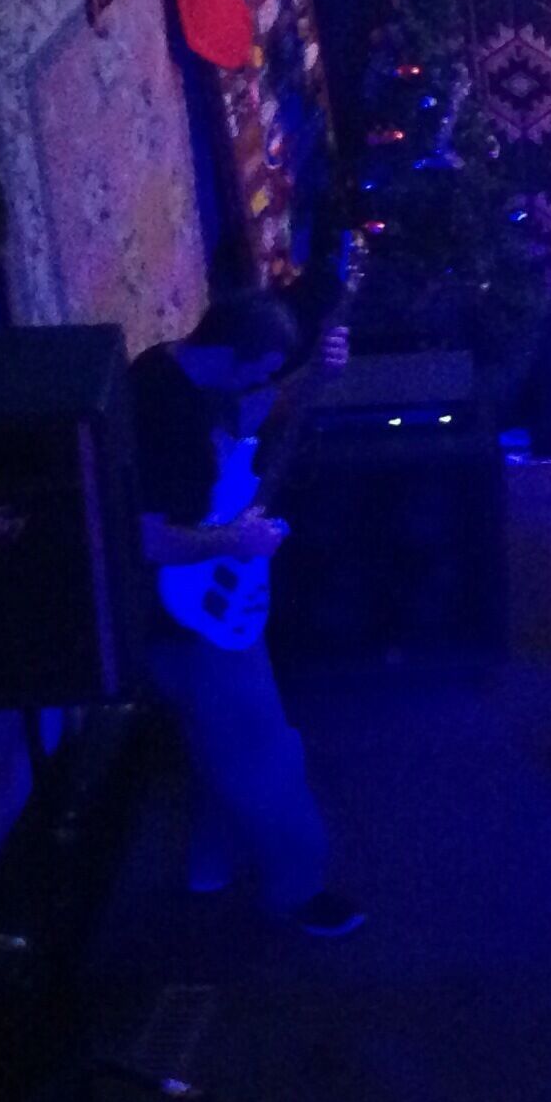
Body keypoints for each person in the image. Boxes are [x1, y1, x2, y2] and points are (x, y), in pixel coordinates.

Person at [131, 290, 364, 937]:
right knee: (265, 755)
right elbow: (148, 539)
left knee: (217, 745)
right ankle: (301, 891)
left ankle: (209, 868)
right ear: (234, 355)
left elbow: (247, 409)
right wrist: (237, 541)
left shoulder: (172, 368)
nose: (267, 383)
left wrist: (314, 374)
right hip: (188, 621)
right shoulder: (162, 417)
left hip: (192, 614)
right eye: (262, 368)